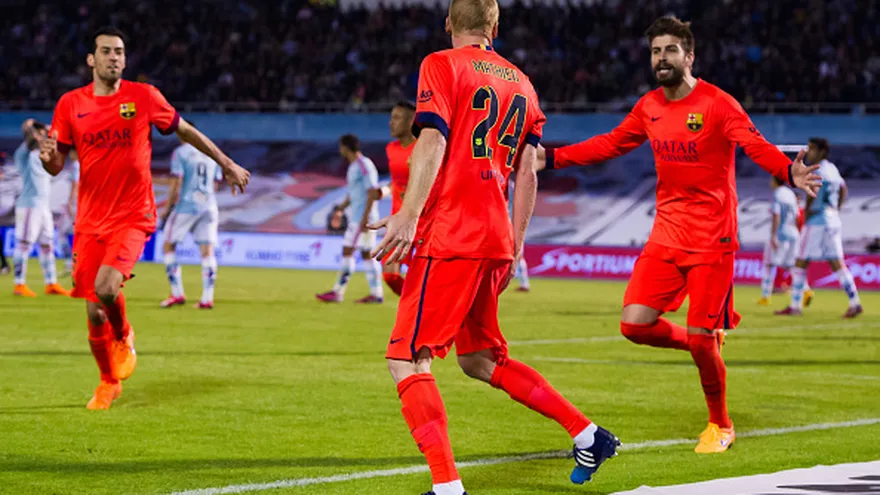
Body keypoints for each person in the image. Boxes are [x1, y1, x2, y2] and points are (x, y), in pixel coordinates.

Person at [537, 16, 821, 453]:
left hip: (713, 240)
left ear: (689, 56)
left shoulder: (719, 104)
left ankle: (721, 425)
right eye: (655, 51)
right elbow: (610, 143)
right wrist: (551, 159)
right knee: (634, 325)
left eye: (670, 50)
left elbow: (755, 145)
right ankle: (704, 337)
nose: (662, 58)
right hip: (666, 235)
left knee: (702, 344)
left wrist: (788, 171)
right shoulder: (649, 105)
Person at [370, 1, 620, 492]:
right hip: (495, 237)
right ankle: (588, 434)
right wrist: (517, 244)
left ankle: (446, 487)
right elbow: (528, 171)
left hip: (452, 233)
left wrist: (410, 211)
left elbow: (433, 140)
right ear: (495, 26)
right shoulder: (523, 84)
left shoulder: (440, 65)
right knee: (480, 359)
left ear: (448, 24)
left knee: (407, 357)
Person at [40, 27, 250, 410]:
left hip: (133, 215)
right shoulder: (70, 104)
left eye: (119, 51)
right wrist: (47, 157)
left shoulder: (143, 96)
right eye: (105, 51)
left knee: (106, 289)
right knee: (92, 309)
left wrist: (227, 162)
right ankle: (108, 382)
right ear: (91, 59)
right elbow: (56, 166)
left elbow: (184, 130)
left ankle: (125, 335)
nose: (114, 57)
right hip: (89, 220)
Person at [776, 138, 863, 318]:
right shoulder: (832, 168)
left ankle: (795, 306)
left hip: (816, 221)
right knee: (838, 263)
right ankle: (855, 302)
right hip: (832, 220)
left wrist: (807, 214)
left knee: (800, 262)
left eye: (812, 149)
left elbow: (811, 192)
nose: (809, 153)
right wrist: (835, 208)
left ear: (822, 151)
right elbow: (843, 189)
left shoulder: (817, 169)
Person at [159, 124, 223, 309]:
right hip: (209, 205)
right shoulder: (212, 152)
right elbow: (215, 183)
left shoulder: (181, 152)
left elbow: (177, 181)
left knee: (168, 245)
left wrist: (169, 207)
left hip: (187, 205)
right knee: (207, 251)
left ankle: (177, 294)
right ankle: (206, 299)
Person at [316, 134, 384, 304]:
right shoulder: (354, 166)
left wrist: (365, 219)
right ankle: (376, 294)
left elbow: (372, 192)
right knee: (367, 255)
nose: (340, 150)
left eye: (341, 146)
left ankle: (338, 292)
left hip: (362, 218)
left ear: (345, 147)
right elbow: (353, 194)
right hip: (359, 216)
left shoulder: (363, 164)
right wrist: (340, 209)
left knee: (348, 250)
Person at [12, 119, 70, 297]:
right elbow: (28, 129)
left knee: (47, 245)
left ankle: (51, 283)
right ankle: (19, 284)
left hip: (43, 207)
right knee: (24, 244)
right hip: (29, 206)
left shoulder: (43, 155)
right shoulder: (24, 153)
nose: (42, 137)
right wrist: (35, 126)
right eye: (39, 135)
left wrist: (46, 129)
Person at [757, 176, 813, 306]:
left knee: (769, 264)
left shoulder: (777, 194)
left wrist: (773, 235)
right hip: (793, 233)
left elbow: (776, 215)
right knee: (792, 265)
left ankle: (765, 296)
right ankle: (806, 290)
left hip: (781, 233)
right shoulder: (790, 194)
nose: (770, 182)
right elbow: (797, 215)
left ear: (776, 181)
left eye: (771, 179)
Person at [382, 101, 416, 296]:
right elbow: (396, 182)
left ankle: (421, 309)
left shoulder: (424, 148)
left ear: (411, 121)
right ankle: (419, 302)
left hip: (423, 221)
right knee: (390, 276)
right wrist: (384, 192)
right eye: (391, 117)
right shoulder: (391, 149)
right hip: (398, 219)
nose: (390, 123)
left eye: (396, 118)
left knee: (422, 275)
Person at [57, 150, 80, 276]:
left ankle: (69, 264)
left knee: (61, 234)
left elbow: (75, 184)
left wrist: (70, 202)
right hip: (81, 203)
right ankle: (74, 265)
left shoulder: (76, 165)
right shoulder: (82, 164)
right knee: (77, 234)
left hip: (75, 203)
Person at [508, 177, 530, 292]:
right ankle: (524, 283)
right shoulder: (514, 186)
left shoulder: (509, 185)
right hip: (512, 222)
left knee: (518, 254)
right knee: (518, 254)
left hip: (510, 223)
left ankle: (524, 284)